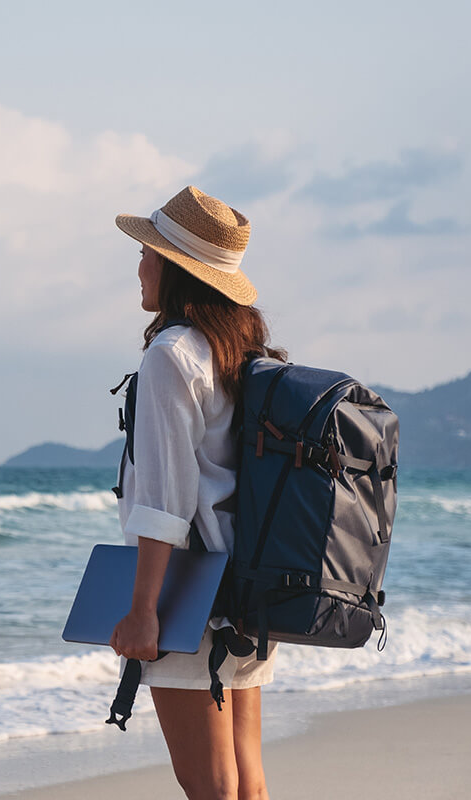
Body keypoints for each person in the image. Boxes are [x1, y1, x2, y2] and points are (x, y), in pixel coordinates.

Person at [106, 186, 286, 800]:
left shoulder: (171, 355)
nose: (139, 265)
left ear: (177, 268)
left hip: (192, 596)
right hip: (250, 587)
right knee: (247, 784)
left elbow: (165, 502)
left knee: (211, 789)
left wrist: (141, 610)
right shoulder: (239, 350)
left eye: (148, 252)